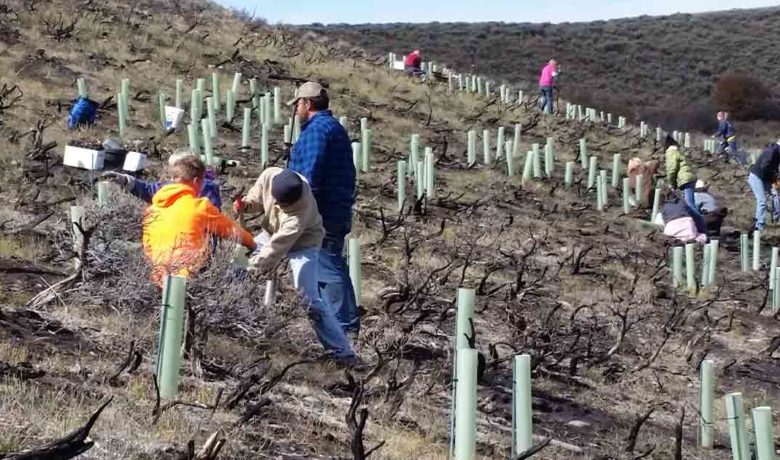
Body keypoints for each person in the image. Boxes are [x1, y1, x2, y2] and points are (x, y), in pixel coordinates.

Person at [235, 167, 357, 364]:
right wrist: (246, 205)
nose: (275, 204)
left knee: (309, 300)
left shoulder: (298, 214)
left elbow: (275, 250)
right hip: (270, 233)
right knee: (235, 263)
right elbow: (257, 199)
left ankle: (343, 353)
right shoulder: (270, 175)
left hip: (304, 244)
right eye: (274, 199)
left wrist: (252, 267)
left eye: (282, 204)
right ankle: (238, 325)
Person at [286, 82, 360, 339]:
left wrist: (297, 207)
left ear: (307, 104)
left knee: (328, 266)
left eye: (297, 104)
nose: (296, 110)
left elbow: (308, 176)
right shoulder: (332, 128)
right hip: (331, 209)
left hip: (321, 212)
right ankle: (334, 325)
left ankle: (344, 325)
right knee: (324, 265)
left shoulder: (317, 131)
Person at [142, 154, 255, 286]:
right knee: (240, 273)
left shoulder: (152, 210)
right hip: (189, 278)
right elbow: (232, 231)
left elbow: (147, 248)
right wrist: (253, 244)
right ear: (196, 181)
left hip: (157, 278)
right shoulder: (200, 207)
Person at [103, 152, 222, 208]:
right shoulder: (170, 185)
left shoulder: (207, 187)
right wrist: (124, 180)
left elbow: (213, 215)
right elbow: (147, 190)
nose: (173, 174)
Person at [665, 135, 706, 234]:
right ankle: (699, 226)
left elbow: (671, 169)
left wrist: (671, 184)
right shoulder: (679, 152)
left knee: (690, 205)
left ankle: (702, 228)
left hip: (685, 179)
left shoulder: (671, 152)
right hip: (690, 178)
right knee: (690, 204)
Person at [747, 141, 780, 231]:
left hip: (765, 177)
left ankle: (775, 219)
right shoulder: (771, 151)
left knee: (775, 195)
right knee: (762, 201)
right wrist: (772, 179)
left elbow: (775, 167)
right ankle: (759, 226)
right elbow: (764, 167)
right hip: (756, 176)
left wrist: (775, 178)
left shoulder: (777, 153)